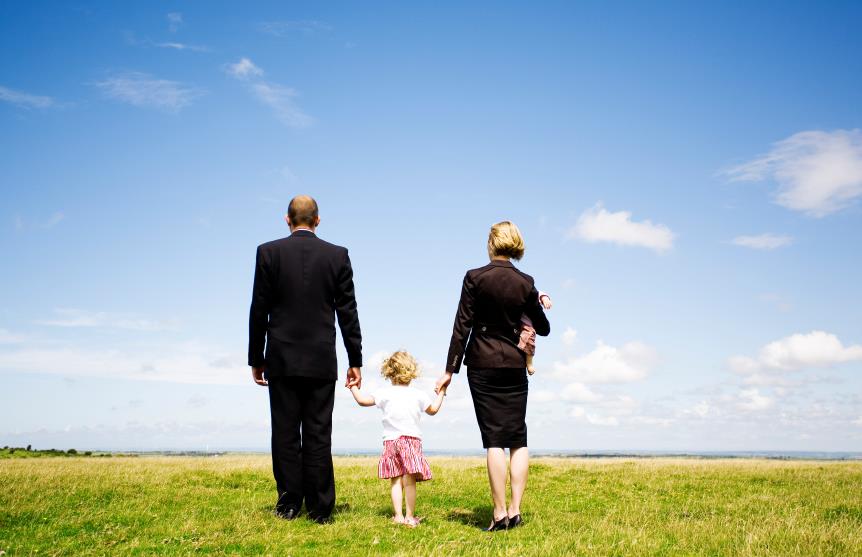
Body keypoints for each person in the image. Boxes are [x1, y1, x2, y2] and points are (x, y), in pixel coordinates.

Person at [248, 195, 363, 523]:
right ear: (318, 220)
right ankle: (321, 507)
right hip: (320, 359)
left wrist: (257, 357)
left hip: (281, 358)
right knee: (318, 432)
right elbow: (348, 313)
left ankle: (288, 503)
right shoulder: (337, 256)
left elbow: (259, 309)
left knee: (284, 431)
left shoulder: (268, 253)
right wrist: (355, 359)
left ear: (287, 219)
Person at [436, 221, 550, 531]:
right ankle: (515, 510)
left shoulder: (475, 277)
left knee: (494, 441)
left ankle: (499, 514)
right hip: (514, 364)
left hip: (482, 363)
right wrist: (537, 301)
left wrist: (450, 370)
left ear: (491, 244)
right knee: (518, 438)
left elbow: (462, 326)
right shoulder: (526, 282)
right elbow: (543, 327)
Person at [349, 351, 445, 527]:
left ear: (389, 371)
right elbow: (433, 410)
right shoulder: (418, 394)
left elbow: (362, 401)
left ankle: (398, 516)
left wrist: (352, 386)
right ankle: (410, 517)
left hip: (391, 441)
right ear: (412, 371)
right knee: (410, 481)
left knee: (395, 479)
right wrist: (441, 393)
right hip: (411, 441)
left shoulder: (384, 393)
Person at [521, 290, 553, 375]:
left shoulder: (525, 287)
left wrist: (545, 299)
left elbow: (538, 294)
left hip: (526, 324)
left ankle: (529, 362)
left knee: (529, 339)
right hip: (515, 323)